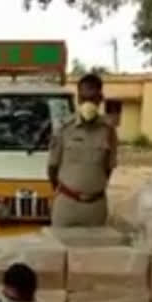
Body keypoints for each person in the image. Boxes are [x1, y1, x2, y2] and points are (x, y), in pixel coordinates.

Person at [48, 73, 118, 226]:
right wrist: (65, 190)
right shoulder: (64, 128)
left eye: (92, 99)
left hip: (96, 207)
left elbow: (109, 168)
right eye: (84, 99)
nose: (88, 103)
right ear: (78, 99)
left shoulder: (109, 131)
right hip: (66, 205)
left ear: (100, 99)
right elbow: (52, 167)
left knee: (95, 249)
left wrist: (93, 187)